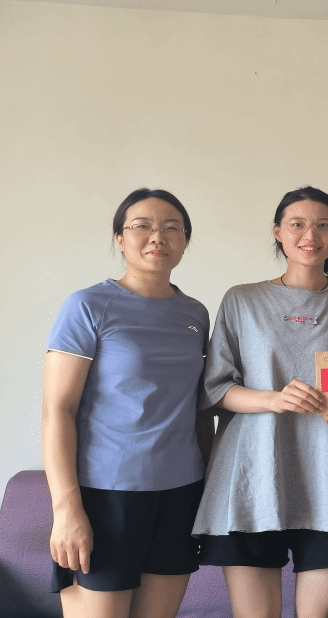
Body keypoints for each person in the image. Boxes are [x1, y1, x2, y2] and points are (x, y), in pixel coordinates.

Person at [192, 186, 328, 618]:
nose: (310, 235)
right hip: (250, 477)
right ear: (278, 232)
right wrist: (274, 398)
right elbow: (215, 390)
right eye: (297, 224)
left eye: (323, 225)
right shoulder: (241, 299)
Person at [41, 188, 213, 618]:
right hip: (104, 496)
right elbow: (57, 411)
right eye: (142, 226)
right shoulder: (87, 306)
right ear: (120, 238)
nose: (158, 236)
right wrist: (66, 508)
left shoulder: (195, 313)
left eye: (172, 228)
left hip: (181, 494)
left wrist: (210, 489)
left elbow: (199, 410)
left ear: (185, 242)